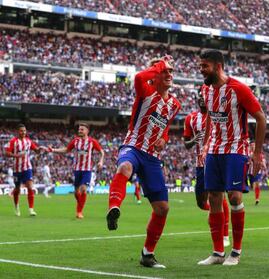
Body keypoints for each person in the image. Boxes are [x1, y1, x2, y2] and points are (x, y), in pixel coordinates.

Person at [106, 55, 181, 268]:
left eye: (171, 72)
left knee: (162, 208)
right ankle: (113, 208)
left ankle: (147, 255)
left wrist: (164, 140)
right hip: (133, 146)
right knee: (125, 167)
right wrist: (159, 65)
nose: (169, 75)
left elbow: (165, 129)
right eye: (164, 72)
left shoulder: (174, 104)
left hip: (152, 157)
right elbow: (139, 76)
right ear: (155, 75)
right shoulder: (146, 91)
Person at [197, 50, 266, 266]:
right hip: (214, 151)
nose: (201, 70)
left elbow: (261, 118)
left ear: (218, 66)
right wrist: (206, 142)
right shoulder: (205, 90)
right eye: (201, 66)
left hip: (236, 149)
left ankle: (235, 252)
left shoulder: (238, 89)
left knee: (235, 197)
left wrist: (257, 153)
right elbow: (209, 116)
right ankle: (218, 253)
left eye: (205, 66)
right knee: (214, 198)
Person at [183, 90, 230, 247]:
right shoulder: (191, 118)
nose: (202, 100)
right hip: (199, 163)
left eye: (204, 98)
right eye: (199, 98)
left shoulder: (217, 115)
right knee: (201, 203)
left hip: (215, 159)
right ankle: (220, 215)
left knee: (218, 195)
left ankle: (224, 233)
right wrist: (194, 140)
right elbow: (186, 144)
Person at [47, 123, 104, 219]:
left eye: (82, 129)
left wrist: (101, 161)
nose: (80, 131)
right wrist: (53, 150)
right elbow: (66, 150)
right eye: (79, 129)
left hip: (87, 170)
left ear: (87, 131)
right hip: (77, 170)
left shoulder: (92, 142)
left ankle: (79, 212)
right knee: (76, 193)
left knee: (83, 189)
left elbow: (101, 152)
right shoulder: (75, 141)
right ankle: (80, 204)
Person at [5, 123, 46, 216]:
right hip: (16, 169)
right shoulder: (13, 141)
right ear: (17, 132)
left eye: (24, 131)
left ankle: (31, 209)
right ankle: (16, 207)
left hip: (27, 168)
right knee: (17, 189)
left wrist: (40, 149)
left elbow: (36, 150)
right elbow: (7, 153)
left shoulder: (28, 141)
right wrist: (16, 155)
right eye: (21, 131)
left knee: (30, 187)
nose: (23, 132)